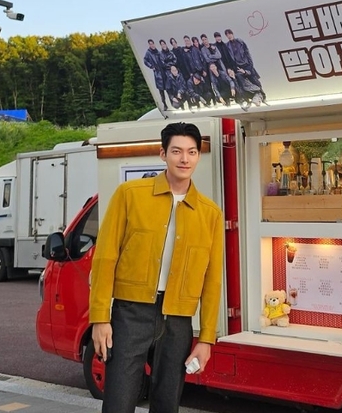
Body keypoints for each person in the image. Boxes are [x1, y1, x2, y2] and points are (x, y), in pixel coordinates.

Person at [89, 122, 224, 413]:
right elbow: (105, 257)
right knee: (118, 403)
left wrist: (207, 339)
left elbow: (213, 280)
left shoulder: (210, 214)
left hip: (178, 321)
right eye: (176, 151)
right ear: (163, 154)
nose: (184, 159)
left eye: (191, 152)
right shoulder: (130, 194)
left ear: (198, 156)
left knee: (167, 404)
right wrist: (100, 318)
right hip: (130, 314)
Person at [143, 39, 168, 111]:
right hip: (158, 74)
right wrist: (151, 66)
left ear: (154, 44)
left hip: (163, 72)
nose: (152, 45)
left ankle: (172, 103)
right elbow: (145, 60)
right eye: (150, 44)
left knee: (168, 88)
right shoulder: (148, 53)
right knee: (161, 91)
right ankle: (165, 104)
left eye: (152, 44)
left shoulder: (158, 52)